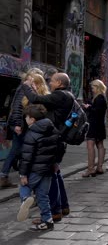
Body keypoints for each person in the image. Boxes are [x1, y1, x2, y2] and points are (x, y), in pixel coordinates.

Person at [22, 72, 74, 223]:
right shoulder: (66, 95)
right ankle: (63, 206)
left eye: (52, 80)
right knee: (55, 173)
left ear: (59, 83)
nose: (49, 82)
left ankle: (54, 211)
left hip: (52, 139)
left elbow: (35, 99)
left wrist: (26, 87)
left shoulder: (60, 95)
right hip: (57, 139)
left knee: (50, 176)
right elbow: (43, 101)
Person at [17, 105, 59, 231]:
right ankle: (47, 220)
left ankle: (26, 199)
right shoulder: (52, 129)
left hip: (35, 169)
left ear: (32, 119)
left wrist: (23, 174)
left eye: (27, 117)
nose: (25, 119)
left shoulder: (31, 133)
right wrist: (55, 163)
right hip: (48, 168)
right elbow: (59, 147)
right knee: (42, 195)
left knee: (25, 186)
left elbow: (26, 157)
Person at [1, 68, 45, 188]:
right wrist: (17, 125)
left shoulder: (25, 88)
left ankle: (5, 176)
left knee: (17, 150)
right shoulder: (23, 88)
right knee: (17, 150)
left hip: (22, 125)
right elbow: (17, 108)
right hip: (21, 125)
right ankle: (6, 176)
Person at [82, 80, 108, 177]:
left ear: (97, 87)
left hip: (94, 124)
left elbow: (96, 111)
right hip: (100, 125)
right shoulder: (101, 97)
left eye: (93, 88)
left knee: (90, 146)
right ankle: (99, 167)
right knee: (100, 145)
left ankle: (91, 169)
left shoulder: (99, 98)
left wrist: (88, 107)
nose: (92, 90)